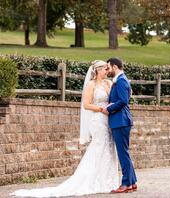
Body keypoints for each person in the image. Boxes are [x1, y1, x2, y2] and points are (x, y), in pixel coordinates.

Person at [10, 60, 119, 197]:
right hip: (98, 119)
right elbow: (86, 105)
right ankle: (92, 180)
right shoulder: (91, 85)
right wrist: (102, 109)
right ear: (97, 70)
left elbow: (113, 99)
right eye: (105, 69)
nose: (107, 71)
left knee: (109, 148)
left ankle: (108, 181)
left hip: (108, 119)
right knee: (99, 147)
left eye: (107, 69)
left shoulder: (108, 83)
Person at [104, 57, 137, 193]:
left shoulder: (122, 80)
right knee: (125, 153)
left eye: (108, 67)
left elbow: (123, 101)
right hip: (120, 121)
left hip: (121, 121)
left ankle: (125, 184)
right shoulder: (119, 80)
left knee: (123, 153)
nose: (107, 70)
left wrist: (109, 108)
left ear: (115, 67)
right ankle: (132, 182)